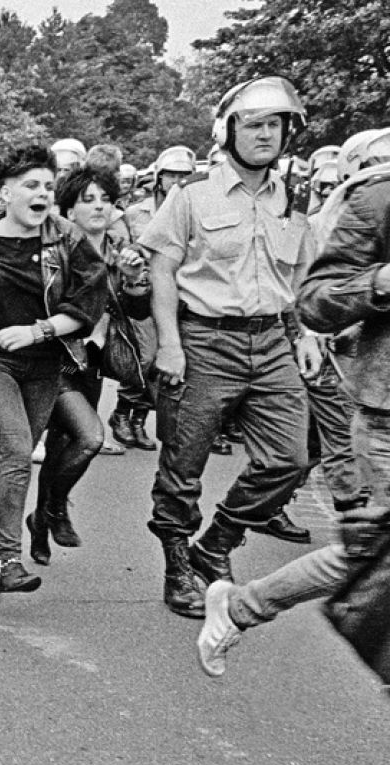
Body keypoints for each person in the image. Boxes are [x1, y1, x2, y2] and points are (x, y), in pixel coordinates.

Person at [196, 157, 390, 677]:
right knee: (374, 554)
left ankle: (241, 606)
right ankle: (240, 600)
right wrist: (381, 283)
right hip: (386, 414)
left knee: (371, 553)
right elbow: (315, 302)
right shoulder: (379, 199)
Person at [140, 76, 320, 619]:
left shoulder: (292, 200)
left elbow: (300, 278)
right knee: (183, 465)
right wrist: (169, 345)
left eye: (276, 125)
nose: (266, 135)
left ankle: (215, 544)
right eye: (255, 124)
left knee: (291, 458)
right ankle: (179, 566)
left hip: (271, 342)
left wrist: (306, 335)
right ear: (229, 131)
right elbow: (162, 269)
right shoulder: (192, 195)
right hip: (204, 341)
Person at [0, 144, 108, 598]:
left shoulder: (68, 239)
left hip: (45, 365)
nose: (42, 195)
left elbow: (90, 301)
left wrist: (38, 332)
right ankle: (6, 558)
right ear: (3, 192)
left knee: (7, 460)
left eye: (48, 187)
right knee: (15, 452)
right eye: (31, 186)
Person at [28, 166, 146, 564]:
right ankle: (54, 509)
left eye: (105, 199)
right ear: (69, 208)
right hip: (55, 361)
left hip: (92, 364)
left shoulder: (119, 251)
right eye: (87, 199)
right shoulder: (54, 250)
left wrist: (131, 280)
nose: (98, 207)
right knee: (91, 437)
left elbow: (136, 311)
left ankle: (40, 524)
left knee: (64, 446)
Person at [109, 145, 197, 453]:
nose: (177, 180)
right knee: (145, 356)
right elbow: (121, 250)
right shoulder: (136, 213)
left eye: (184, 175)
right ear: (159, 177)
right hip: (141, 292)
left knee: (168, 358)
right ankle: (123, 411)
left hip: (179, 294)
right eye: (171, 174)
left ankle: (138, 419)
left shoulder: (194, 210)